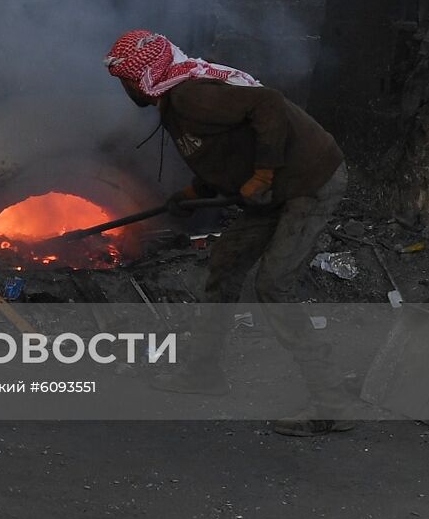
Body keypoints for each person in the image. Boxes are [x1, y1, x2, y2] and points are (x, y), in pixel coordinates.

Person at [104, 29, 352, 437]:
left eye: (128, 80)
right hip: (273, 191)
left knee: (273, 284)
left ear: (145, 74)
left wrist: (264, 173)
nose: (127, 89)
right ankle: (203, 373)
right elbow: (223, 152)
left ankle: (333, 403)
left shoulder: (191, 95)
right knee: (224, 264)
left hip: (310, 179)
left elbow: (267, 104)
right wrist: (195, 192)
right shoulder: (173, 102)